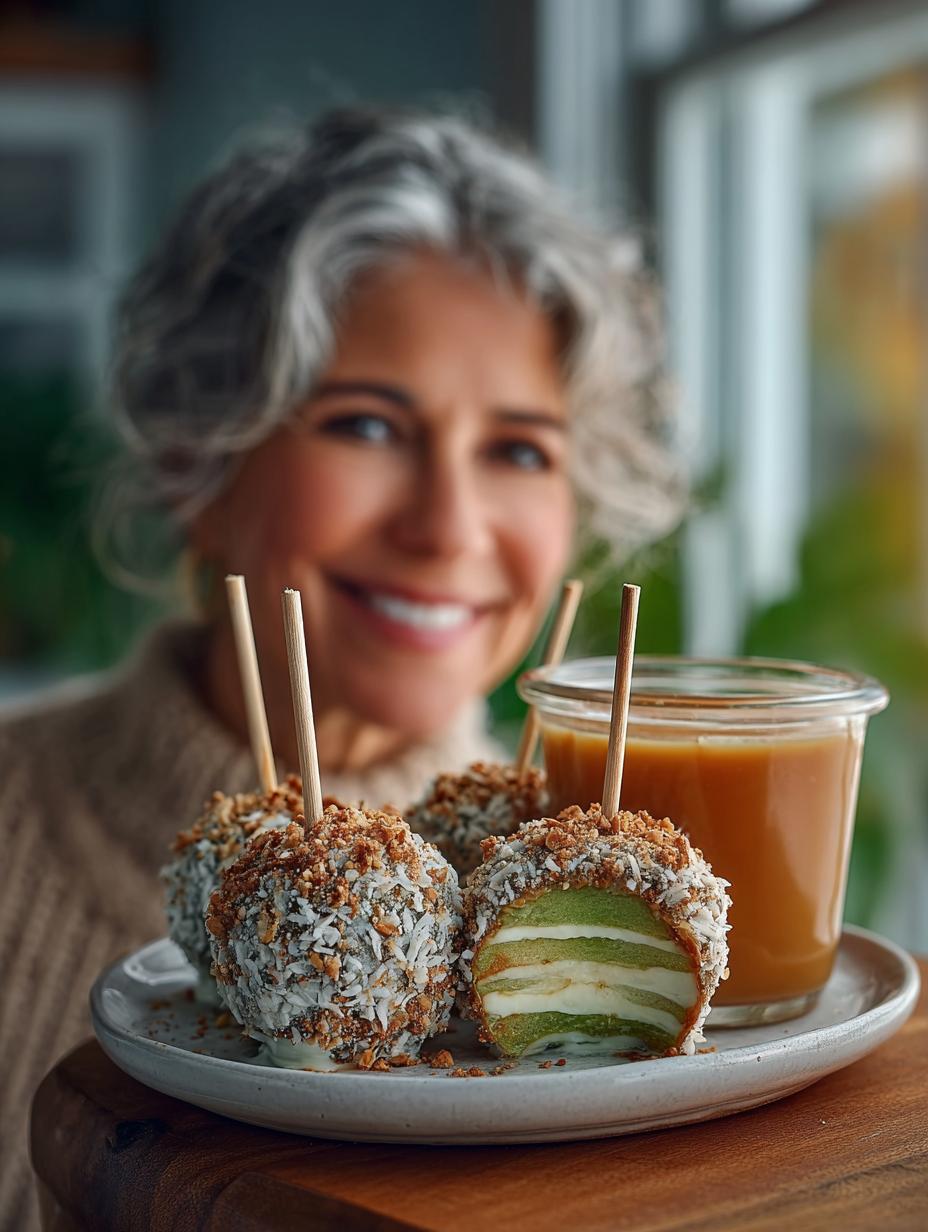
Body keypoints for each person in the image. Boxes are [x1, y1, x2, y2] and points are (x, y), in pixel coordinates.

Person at [0, 106, 681, 1227]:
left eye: (519, 449)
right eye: (366, 426)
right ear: (198, 458)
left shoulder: (574, 940)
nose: (448, 525)